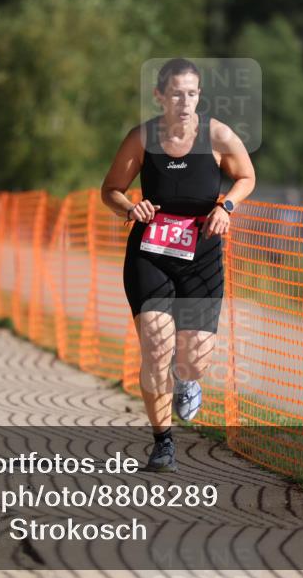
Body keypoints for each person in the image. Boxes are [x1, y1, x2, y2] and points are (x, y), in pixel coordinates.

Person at [100, 58, 256, 472]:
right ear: (159, 96)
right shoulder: (142, 138)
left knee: (193, 359)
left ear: (199, 96)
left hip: (202, 257)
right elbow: (111, 190)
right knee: (155, 348)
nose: (184, 102)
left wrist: (227, 206)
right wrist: (131, 207)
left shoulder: (217, 135)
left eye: (192, 93)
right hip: (150, 255)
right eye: (175, 93)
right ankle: (162, 441)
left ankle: (187, 380)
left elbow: (246, 177)